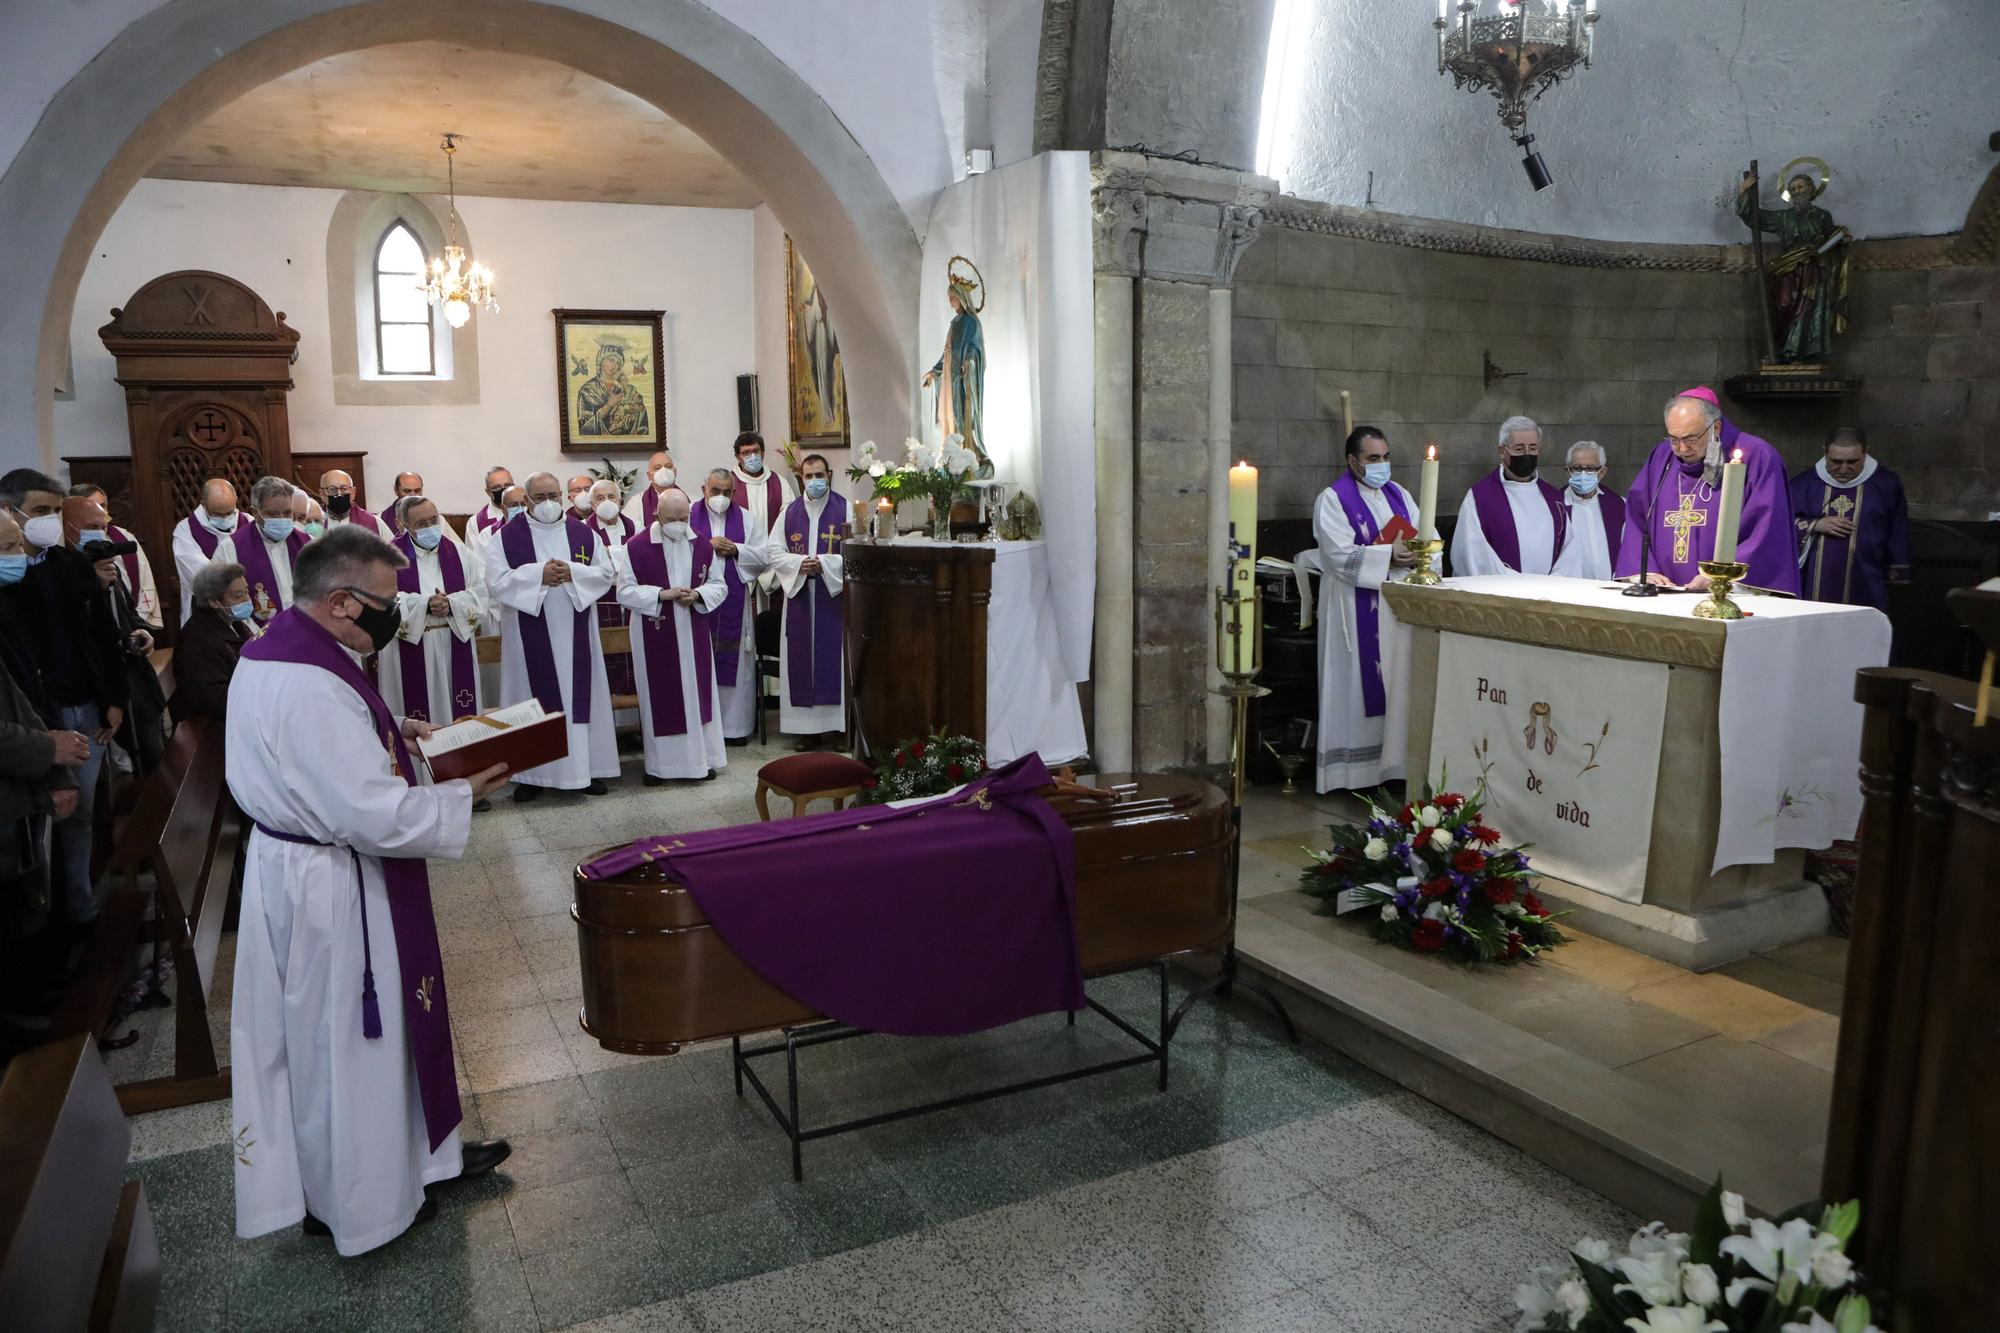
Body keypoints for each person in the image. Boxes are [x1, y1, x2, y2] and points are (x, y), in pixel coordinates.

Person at [226, 525, 511, 1257]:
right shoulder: (308, 681)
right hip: (331, 884)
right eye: (386, 601)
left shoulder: (288, 646)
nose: (397, 611)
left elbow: (337, 755)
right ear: (343, 603)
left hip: (315, 869)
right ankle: (362, 1203)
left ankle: (421, 1160)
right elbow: (364, 811)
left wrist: (396, 729)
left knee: (368, 1045)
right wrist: (459, 795)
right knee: (347, 1046)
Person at [0, 470, 129, 932]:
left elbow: (99, 636)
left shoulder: (70, 566)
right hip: (36, 721)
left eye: (55, 511)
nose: (50, 521)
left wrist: (113, 697)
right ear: (10, 511)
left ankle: (80, 907)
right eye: (40, 511)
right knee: (38, 825)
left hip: (86, 708)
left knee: (81, 813)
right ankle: (46, 925)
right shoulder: (9, 582)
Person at [481, 472, 618, 800]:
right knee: (528, 699)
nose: (547, 504)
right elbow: (495, 582)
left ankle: (585, 769)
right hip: (527, 635)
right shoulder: (505, 538)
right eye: (539, 498)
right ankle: (532, 775)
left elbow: (605, 573)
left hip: (576, 632)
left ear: (562, 497)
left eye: (553, 496)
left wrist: (572, 571)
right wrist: (538, 575)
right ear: (526, 500)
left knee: (579, 697)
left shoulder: (583, 534)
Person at [0, 509, 86, 1015]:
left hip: (18, 794)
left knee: (24, 918)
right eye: (10, 548)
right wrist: (46, 751)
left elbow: (21, 698)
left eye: (18, 546)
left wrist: (54, 767)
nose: (20, 558)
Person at [1312, 427, 1419, 794]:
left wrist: (1419, 553)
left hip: (1395, 608)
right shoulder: (1333, 499)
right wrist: (1389, 554)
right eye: (1373, 459)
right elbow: (1338, 555)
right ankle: (1352, 775)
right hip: (1351, 609)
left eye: (1386, 457)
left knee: (1395, 681)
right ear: (1353, 461)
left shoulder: (1399, 495)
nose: (1382, 465)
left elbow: (1424, 535)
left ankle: (1391, 769)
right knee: (1355, 688)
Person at [1616, 387, 1800, 595]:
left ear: (1716, 428)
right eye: (1674, 439)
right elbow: (1637, 517)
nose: (1682, 449)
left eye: (1691, 439)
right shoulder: (1661, 457)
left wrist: (1720, 575)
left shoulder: (1758, 456)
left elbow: (1768, 530)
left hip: (1727, 595)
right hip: (1664, 594)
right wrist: (1645, 570)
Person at [618, 490, 726, 783]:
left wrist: (699, 594)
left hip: (693, 633)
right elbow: (624, 592)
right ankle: (660, 767)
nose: (679, 524)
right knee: (662, 698)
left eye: (684, 518)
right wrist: (662, 595)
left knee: (695, 695)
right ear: (657, 516)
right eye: (671, 519)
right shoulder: (637, 547)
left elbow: (719, 584)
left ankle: (700, 761)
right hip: (655, 632)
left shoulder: (701, 544)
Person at [764, 454, 848, 747]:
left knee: (834, 657)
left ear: (830, 474)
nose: (814, 481)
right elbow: (773, 552)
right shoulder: (789, 512)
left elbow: (856, 550)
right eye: (809, 476)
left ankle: (840, 728)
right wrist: (800, 563)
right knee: (800, 659)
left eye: (819, 475)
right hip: (800, 593)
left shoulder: (845, 508)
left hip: (832, 595)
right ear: (801, 476)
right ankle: (807, 730)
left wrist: (825, 563)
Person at [78, 502, 167, 777]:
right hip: (96, 680)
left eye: (103, 527)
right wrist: (95, 586)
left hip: (131, 673)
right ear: (69, 529)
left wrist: (143, 632)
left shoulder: (108, 568)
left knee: (154, 752)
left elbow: (127, 613)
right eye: (91, 528)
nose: (100, 534)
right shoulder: (68, 575)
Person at [380, 497, 485, 727]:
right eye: (421, 524)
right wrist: (425, 604)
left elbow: (481, 592)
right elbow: (380, 601)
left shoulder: (459, 552)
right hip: (411, 648)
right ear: (403, 525)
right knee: (418, 716)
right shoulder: (387, 557)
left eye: (434, 520)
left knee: (459, 715)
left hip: (453, 642)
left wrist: (452, 604)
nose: (430, 527)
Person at [1789, 426, 1911, 613]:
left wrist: (1898, 572)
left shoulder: (1886, 484)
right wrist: (1815, 525)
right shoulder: (1803, 485)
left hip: (1866, 578)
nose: (1844, 469)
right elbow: (1780, 526)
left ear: (1866, 452)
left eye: (1852, 461)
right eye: (1836, 461)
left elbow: (1897, 531)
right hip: (1812, 583)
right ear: (1825, 452)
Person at [692, 468, 769, 744]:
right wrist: (706, 546)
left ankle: (734, 729)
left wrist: (736, 550)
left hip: (734, 604)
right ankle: (702, 728)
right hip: (697, 605)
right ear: (704, 489)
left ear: (734, 492)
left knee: (736, 666)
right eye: (715, 491)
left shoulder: (747, 519)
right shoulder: (688, 515)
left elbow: (763, 556)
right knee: (700, 663)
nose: (721, 497)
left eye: (727, 492)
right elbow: (674, 551)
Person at [1450, 416, 1581, 577]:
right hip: (1502, 594)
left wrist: (1552, 585)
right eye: (1519, 449)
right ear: (1502, 452)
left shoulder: (1553, 499)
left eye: (1533, 448)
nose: (1527, 454)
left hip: (1548, 594)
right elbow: (1472, 555)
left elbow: (1569, 552)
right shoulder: (1479, 498)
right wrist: (1518, 586)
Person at [171, 561, 257, 724]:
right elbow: (214, 699)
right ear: (213, 601)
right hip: (211, 727)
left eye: (246, 591)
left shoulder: (235, 624)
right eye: (238, 596)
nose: (247, 599)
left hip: (242, 712)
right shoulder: (197, 640)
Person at [68, 483, 161, 625]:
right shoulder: (67, 553)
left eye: (103, 505)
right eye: (94, 506)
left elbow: (144, 579)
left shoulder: (124, 537)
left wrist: (138, 625)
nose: (101, 512)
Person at [231, 475, 312, 621]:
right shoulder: (232, 547)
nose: (281, 519)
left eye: (287, 513)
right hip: (259, 636)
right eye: (273, 514)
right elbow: (229, 601)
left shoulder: (308, 544)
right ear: (255, 513)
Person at [585, 480, 638, 700]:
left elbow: (640, 560)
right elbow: (590, 567)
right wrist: (620, 554)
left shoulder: (636, 527)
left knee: (634, 661)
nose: (606, 502)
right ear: (592, 504)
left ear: (620, 500)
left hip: (633, 605)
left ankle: (633, 725)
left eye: (611, 497)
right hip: (601, 605)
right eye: (600, 497)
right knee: (606, 664)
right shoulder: (583, 531)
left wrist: (609, 553)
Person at [174, 478, 240, 624]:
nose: (225, 518)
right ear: (203, 504)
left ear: (236, 500)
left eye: (229, 512)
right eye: (218, 514)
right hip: (207, 610)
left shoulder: (248, 522)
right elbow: (202, 575)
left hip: (246, 604)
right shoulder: (186, 530)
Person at [1558, 441, 1625, 582]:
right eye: (1577, 468)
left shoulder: (1619, 505)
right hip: (1568, 590)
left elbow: (1629, 550)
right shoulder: (1556, 505)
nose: (1583, 473)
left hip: (1609, 589)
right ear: (1567, 471)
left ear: (1602, 472)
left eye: (1590, 468)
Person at [624, 450, 689, 530]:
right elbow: (631, 532)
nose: (663, 471)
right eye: (657, 468)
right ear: (649, 476)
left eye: (668, 466)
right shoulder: (636, 503)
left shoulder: (691, 500)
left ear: (675, 472)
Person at [320, 469, 381, 536]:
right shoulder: (313, 522)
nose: (339, 493)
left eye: (344, 489)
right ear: (322, 494)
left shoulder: (374, 521)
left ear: (353, 493)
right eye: (332, 489)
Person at [468, 466, 515, 537]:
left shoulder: (526, 512)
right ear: (488, 492)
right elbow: (474, 548)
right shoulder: (475, 523)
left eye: (507, 485)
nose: (503, 490)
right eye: (497, 487)